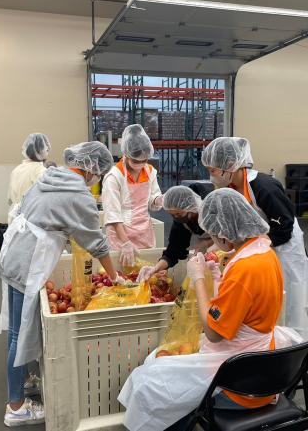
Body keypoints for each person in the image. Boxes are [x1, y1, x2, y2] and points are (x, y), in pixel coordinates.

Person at [118, 188, 302, 431]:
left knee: (150, 385)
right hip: (264, 370)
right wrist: (218, 279)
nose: (212, 242)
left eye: (213, 236)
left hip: (239, 386)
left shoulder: (243, 270)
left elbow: (214, 332)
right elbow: (242, 307)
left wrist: (198, 280)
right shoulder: (265, 253)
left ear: (225, 236)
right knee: (159, 367)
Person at [0, 141, 125, 427]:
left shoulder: (50, 177)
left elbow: (47, 215)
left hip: (15, 251)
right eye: (99, 174)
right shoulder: (78, 194)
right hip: (28, 261)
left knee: (18, 331)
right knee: (19, 335)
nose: (98, 179)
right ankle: (16, 407)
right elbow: (96, 242)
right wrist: (114, 277)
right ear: (93, 170)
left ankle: (22, 381)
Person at [201, 137, 308, 337]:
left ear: (229, 166)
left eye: (212, 170)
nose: (210, 176)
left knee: (292, 298)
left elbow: (285, 225)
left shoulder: (264, 186)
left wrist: (259, 245)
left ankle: (297, 345)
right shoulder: (232, 187)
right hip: (262, 245)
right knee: (268, 299)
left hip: (285, 248)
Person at [102, 124, 163, 267]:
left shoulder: (149, 171)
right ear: (126, 154)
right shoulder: (114, 176)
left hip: (144, 234)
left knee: (146, 277)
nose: (141, 164)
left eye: (145, 160)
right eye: (136, 161)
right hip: (120, 236)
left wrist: (160, 200)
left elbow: (152, 201)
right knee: (122, 276)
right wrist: (125, 242)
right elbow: (112, 214)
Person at [137, 185, 213, 282]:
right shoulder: (181, 221)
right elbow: (174, 250)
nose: (176, 217)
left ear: (190, 207)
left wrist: (208, 243)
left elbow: (229, 237)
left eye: (179, 214)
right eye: (172, 215)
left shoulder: (210, 211)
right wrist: (155, 269)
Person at [8, 133, 51, 224]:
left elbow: (9, 199)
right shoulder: (41, 170)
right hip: (31, 224)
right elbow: (47, 201)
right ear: (43, 150)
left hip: (14, 222)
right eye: (47, 148)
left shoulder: (17, 169)